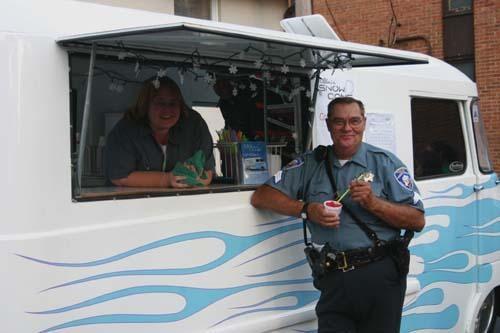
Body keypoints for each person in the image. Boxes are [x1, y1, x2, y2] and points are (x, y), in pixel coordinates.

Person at [251, 97, 425, 333]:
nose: (347, 128)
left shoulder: (385, 163)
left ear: (364, 123)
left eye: (354, 121)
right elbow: (262, 196)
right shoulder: (312, 163)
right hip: (333, 276)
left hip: (380, 273)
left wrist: (373, 203)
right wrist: (305, 210)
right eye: (339, 121)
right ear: (329, 124)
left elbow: (417, 220)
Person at [105, 76, 215, 188]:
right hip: (133, 203)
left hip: (184, 203)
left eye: (173, 103)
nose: (167, 110)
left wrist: (193, 177)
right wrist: (167, 179)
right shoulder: (126, 130)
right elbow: (119, 177)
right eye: (160, 103)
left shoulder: (194, 124)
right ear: (145, 105)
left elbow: (208, 172)